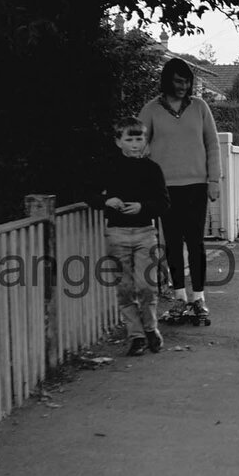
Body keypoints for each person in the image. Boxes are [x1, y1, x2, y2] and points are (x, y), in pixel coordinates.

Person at [138, 57, 220, 326]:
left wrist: (214, 180)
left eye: (187, 82)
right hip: (164, 189)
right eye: (178, 81)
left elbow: (212, 144)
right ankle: (179, 298)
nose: (183, 86)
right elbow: (139, 142)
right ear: (167, 81)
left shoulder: (200, 107)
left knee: (195, 242)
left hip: (196, 185)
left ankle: (198, 298)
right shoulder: (151, 109)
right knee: (172, 243)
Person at [89, 116, 171, 356]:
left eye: (140, 138)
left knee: (146, 286)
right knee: (124, 289)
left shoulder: (152, 169)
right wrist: (106, 200)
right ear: (118, 142)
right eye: (130, 139)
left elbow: (164, 203)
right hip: (116, 235)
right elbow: (88, 194)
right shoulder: (108, 167)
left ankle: (151, 328)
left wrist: (143, 208)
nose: (136, 144)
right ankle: (136, 337)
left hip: (146, 233)